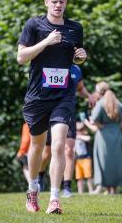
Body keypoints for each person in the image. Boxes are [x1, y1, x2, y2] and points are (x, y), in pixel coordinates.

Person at [17, 0, 87, 214]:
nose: (58, 5)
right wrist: (46, 41)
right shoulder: (34, 25)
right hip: (38, 96)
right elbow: (21, 57)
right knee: (37, 146)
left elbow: (76, 58)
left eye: (62, 2)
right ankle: (32, 188)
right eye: (54, 1)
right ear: (46, 2)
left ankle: (55, 199)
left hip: (63, 95)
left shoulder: (75, 28)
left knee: (58, 145)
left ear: (66, 3)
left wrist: (80, 56)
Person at [37, 64, 94, 197]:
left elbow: (80, 88)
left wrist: (88, 95)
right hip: (50, 112)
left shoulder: (76, 69)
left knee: (68, 150)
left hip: (67, 112)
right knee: (47, 152)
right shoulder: (51, 63)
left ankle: (67, 187)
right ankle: (40, 176)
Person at [91, 81, 122, 195]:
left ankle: (102, 186)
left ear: (99, 92)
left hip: (103, 135)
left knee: (102, 160)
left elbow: (93, 118)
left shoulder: (100, 103)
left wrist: (100, 126)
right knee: (117, 161)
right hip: (116, 133)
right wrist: (119, 125)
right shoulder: (117, 102)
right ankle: (115, 189)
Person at [74, 121, 94, 194]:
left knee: (88, 176)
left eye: (81, 130)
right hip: (78, 159)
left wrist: (78, 136)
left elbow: (88, 138)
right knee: (79, 177)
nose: (79, 131)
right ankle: (80, 192)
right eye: (78, 130)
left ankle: (91, 190)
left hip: (86, 159)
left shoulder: (85, 137)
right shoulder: (74, 139)